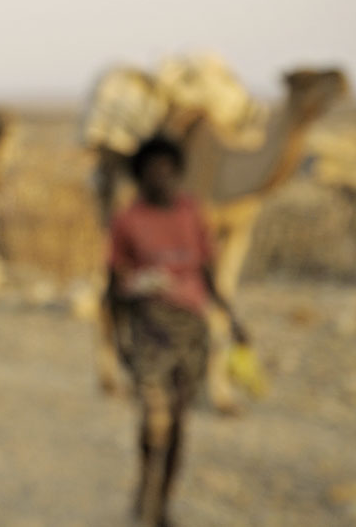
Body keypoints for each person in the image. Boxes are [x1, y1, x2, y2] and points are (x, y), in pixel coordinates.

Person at [105, 135, 248, 527]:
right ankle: (146, 496)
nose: (162, 179)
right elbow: (113, 285)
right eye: (154, 171)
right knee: (155, 422)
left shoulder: (192, 212)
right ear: (141, 177)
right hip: (149, 330)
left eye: (168, 170)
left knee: (180, 421)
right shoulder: (128, 220)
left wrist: (232, 319)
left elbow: (208, 271)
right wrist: (118, 340)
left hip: (192, 331)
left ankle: (161, 503)